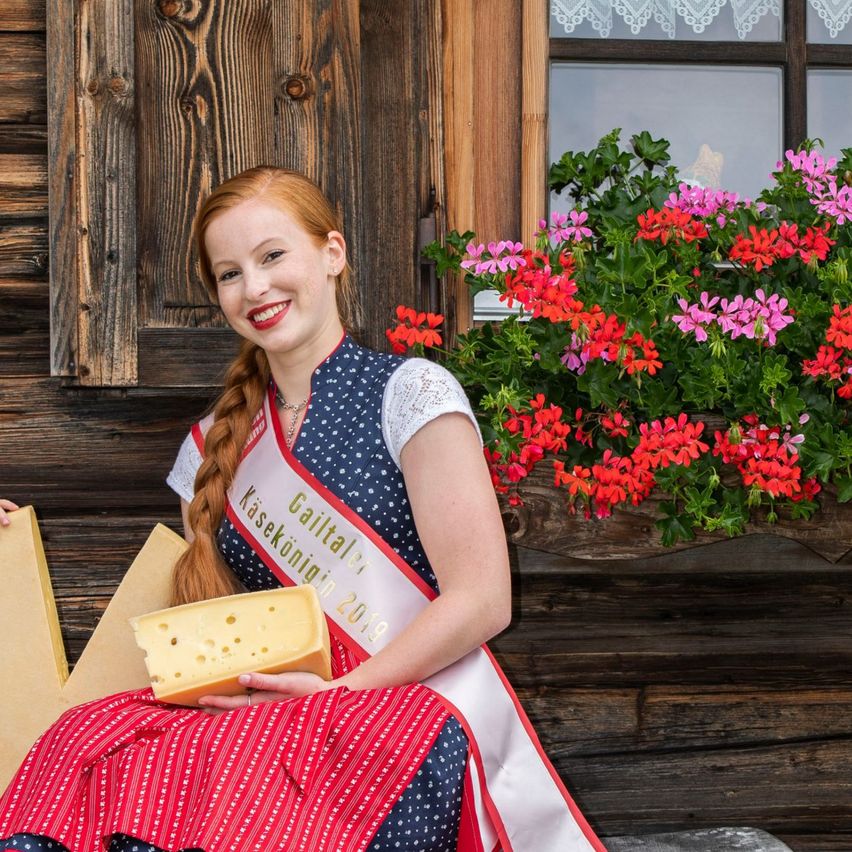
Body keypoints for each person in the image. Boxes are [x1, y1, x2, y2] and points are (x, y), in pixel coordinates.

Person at [0, 168, 604, 851]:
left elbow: (483, 600)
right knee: (86, 738)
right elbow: (217, 627)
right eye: (229, 274)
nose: (253, 288)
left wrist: (334, 693)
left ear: (333, 254)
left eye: (272, 256)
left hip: (399, 708)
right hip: (271, 719)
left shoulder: (409, 394)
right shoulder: (208, 447)